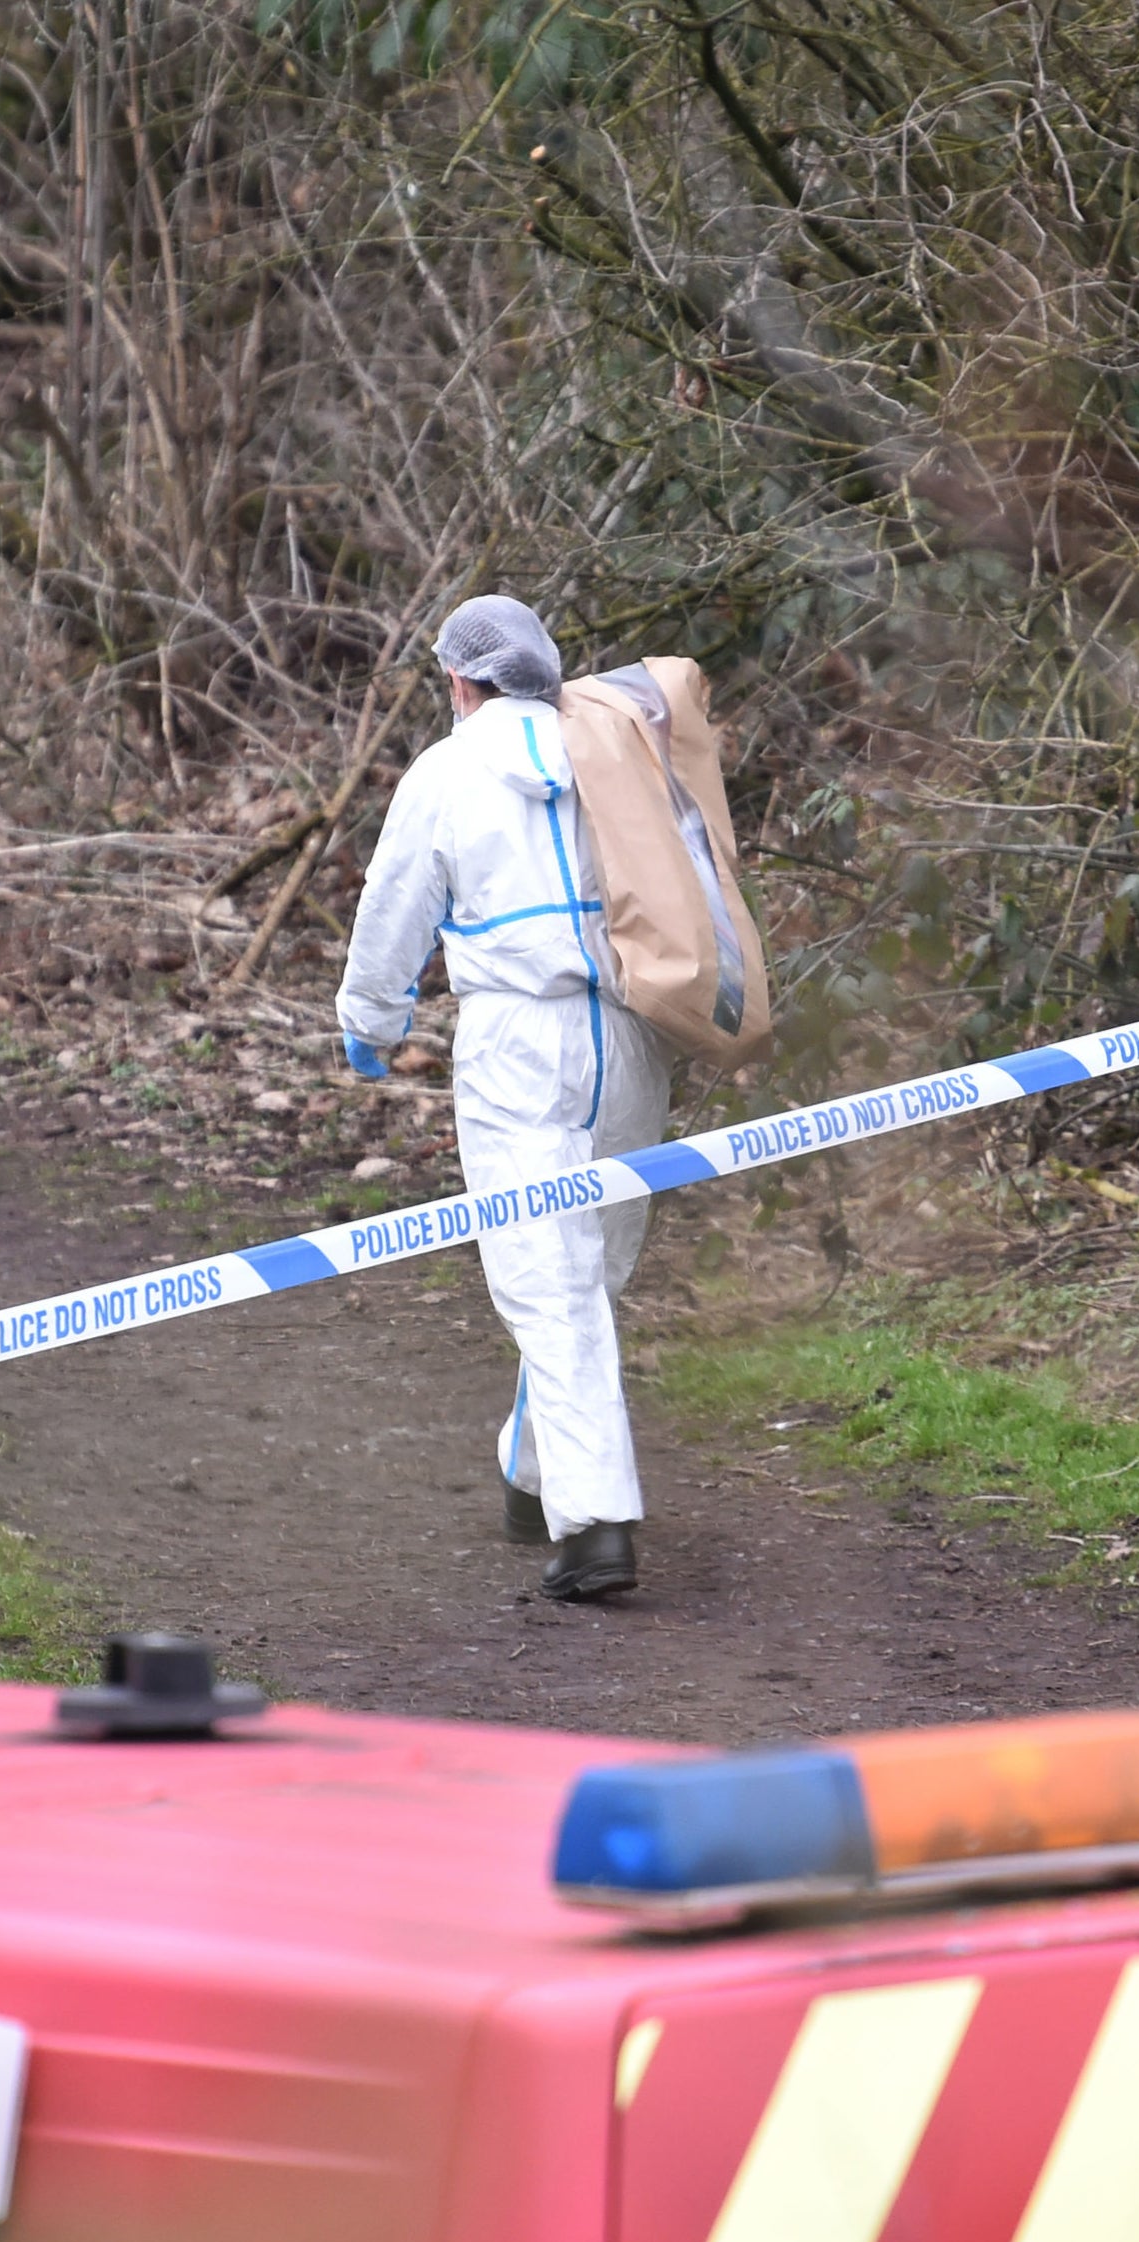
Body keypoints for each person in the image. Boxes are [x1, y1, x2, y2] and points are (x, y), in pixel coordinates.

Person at [335, 596, 672, 1601]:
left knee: (548, 1275)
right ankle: (536, 1476)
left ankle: (596, 1524)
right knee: (588, 1270)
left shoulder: (446, 770)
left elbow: (395, 906)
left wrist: (373, 1018)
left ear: (458, 680)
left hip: (518, 1040)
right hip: (632, 1033)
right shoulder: (601, 748)